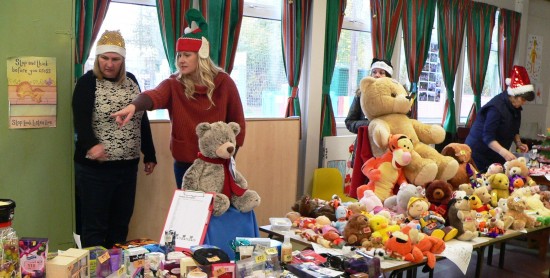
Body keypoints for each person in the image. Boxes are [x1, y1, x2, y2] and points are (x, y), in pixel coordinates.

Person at [111, 9, 246, 189]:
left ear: (202, 56)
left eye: (187, 55)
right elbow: (154, 95)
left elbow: (238, 125)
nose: (181, 60)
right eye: (179, 55)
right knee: (189, 213)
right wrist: (134, 106)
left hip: (218, 163)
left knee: (215, 212)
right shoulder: (174, 83)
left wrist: (230, 158)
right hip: (184, 165)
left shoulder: (224, 82)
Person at [72, 30, 157, 248]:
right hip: (94, 171)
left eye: (115, 59)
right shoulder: (86, 83)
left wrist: (150, 153)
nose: (109, 64)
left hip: (127, 168)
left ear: (122, 61)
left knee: (120, 226)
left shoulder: (131, 81)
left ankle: (115, 270)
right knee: (94, 227)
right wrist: (93, 145)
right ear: (97, 58)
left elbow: (141, 118)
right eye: (105, 58)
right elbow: (80, 123)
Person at [465, 65, 535, 173]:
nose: (524, 102)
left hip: (495, 154)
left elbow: (514, 129)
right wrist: (504, 152)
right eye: (523, 99)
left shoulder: (515, 107)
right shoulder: (496, 108)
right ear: (513, 94)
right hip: (479, 153)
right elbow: (487, 137)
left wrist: (518, 143)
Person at [345, 58, 393, 165]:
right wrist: (371, 125)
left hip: (387, 149)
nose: (377, 75)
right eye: (374, 72)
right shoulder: (361, 95)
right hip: (364, 148)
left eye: (382, 73)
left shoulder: (395, 96)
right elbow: (349, 122)